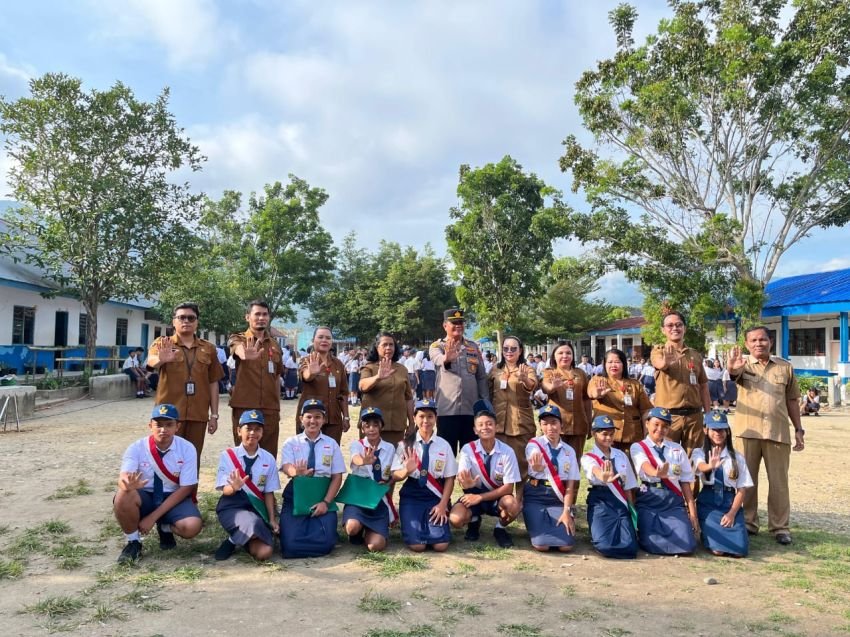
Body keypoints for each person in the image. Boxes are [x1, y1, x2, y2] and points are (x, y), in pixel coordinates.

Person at [727, 327, 804, 545]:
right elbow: (733, 374)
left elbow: (792, 400)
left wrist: (799, 429)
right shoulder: (742, 365)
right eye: (753, 340)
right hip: (747, 432)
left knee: (779, 483)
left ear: (771, 341)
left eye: (763, 339)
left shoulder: (784, 367)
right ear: (747, 344)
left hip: (777, 432)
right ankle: (749, 523)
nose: (758, 343)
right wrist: (732, 367)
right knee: (746, 481)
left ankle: (780, 527)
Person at [113, 404, 203, 563]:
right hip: (145, 495)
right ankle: (133, 542)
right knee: (122, 495)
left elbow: (186, 488)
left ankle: (164, 527)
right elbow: (123, 476)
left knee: (192, 527)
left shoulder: (187, 448)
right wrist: (126, 485)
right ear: (150, 426)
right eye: (158, 425)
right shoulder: (136, 448)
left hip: (173, 496)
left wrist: (153, 518)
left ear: (177, 426)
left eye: (169, 425)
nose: (163, 429)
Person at [146, 303, 223, 467]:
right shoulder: (163, 343)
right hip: (168, 416)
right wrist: (162, 359)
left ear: (197, 322)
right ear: (174, 321)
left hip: (198, 414)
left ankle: (190, 493)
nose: (186, 321)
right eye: (181, 317)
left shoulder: (208, 348)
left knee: (192, 459)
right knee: (166, 459)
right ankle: (165, 494)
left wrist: (214, 415)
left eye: (191, 318)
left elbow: (213, 382)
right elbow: (151, 362)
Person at [450, 400, 521, 548]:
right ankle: (474, 522)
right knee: (456, 520)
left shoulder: (507, 451)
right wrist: (467, 484)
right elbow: (463, 478)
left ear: (496, 427)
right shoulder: (467, 450)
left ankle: (500, 528)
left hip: (498, 497)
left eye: (489, 424)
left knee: (513, 505)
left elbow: (508, 488)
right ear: (475, 430)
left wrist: (480, 497)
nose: (485, 428)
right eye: (480, 425)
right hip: (473, 496)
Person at [279, 399, 345, 558]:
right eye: (308, 417)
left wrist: (326, 502)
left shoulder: (332, 444)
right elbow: (286, 466)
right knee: (290, 546)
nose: (313, 421)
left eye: (318, 417)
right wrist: (297, 472)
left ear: (323, 420)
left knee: (326, 544)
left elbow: (337, 477)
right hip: (297, 496)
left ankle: (328, 531)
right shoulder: (291, 442)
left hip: (322, 495)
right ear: (301, 419)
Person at [630, 407, 699, 555]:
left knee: (687, 545)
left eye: (665, 426)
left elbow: (685, 482)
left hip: (672, 501)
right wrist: (656, 473)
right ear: (647, 423)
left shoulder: (677, 448)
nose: (660, 429)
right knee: (650, 544)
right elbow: (644, 466)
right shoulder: (638, 447)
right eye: (656, 424)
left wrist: (692, 513)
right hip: (650, 499)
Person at [214, 410, 280, 561]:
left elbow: (269, 492)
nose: (252, 433)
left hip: (257, 508)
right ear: (239, 431)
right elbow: (225, 490)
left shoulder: (268, 458)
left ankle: (241, 539)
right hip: (232, 506)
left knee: (265, 552)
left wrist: (271, 518)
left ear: (262, 432)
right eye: (248, 428)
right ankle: (234, 540)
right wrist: (234, 487)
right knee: (253, 522)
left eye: (257, 429)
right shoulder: (228, 455)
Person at [391, 399, 457, 552]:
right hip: (412, 495)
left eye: (430, 416)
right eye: (421, 416)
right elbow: (395, 475)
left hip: (435, 496)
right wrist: (406, 470)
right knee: (417, 545)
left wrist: (442, 504)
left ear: (436, 419)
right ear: (414, 418)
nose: (425, 420)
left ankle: (434, 526)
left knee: (441, 545)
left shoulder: (444, 445)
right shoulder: (405, 444)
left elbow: (449, 478)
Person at [691, 411, 753, 557]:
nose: (718, 433)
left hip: (729, 502)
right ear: (705, 430)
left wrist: (732, 513)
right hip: (708, 502)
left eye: (722, 429)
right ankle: (707, 534)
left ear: (727, 431)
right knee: (717, 551)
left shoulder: (737, 457)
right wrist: (710, 466)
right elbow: (700, 467)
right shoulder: (699, 453)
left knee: (740, 550)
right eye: (714, 429)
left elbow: (741, 489)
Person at [649, 311, 711, 455]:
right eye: (669, 325)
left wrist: (708, 415)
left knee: (694, 462)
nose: (674, 328)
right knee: (669, 462)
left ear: (685, 328)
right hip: (668, 417)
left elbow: (703, 386)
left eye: (679, 325)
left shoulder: (695, 355)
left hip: (694, 417)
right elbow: (659, 364)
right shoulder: (658, 351)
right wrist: (666, 362)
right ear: (663, 330)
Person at [228, 300, 284, 458]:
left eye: (264, 314)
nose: (261, 318)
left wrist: (277, 406)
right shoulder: (238, 339)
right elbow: (237, 349)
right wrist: (244, 353)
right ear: (247, 317)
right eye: (257, 314)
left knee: (268, 455)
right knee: (244, 454)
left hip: (270, 408)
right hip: (244, 407)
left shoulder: (275, 345)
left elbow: (276, 377)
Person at [429, 308, 489, 453]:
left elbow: (481, 377)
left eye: (461, 322)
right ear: (445, 326)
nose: (458, 326)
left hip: (471, 409)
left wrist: (485, 404)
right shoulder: (437, 346)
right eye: (454, 323)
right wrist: (447, 358)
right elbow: (438, 360)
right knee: (444, 454)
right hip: (447, 410)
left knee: (472, 455)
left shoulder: (473, 347)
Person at [523, 405, 580, 552]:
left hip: (557, 498)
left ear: (561, 424)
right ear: (540, 426)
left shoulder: (569, 451)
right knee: (541, 545)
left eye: (554, 422)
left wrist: (567, 511)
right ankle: (536, 524)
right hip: (536, 495)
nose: (550, 427)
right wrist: (537, 468)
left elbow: (569, 486)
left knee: (566, 546)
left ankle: (557, 518)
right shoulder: (534, 444)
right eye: (545, 423)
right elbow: (533, 456)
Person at [580, 415, 639, 559]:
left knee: (631, 547)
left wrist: (631, 510)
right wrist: (603, 476)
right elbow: (594, 469)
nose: (608, 438)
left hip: (619, 501)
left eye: (611, 434)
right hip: (600, 500)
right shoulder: (588, 456)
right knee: (604, 545)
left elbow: (629, 485)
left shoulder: (621, 455)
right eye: (604, 434)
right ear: (594, 434)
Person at [342, 407, 398, 552]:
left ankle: (370, 531)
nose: (371, 429)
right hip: (359, 498)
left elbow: (393, 473)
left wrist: (388, 482)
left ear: (381, 426)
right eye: (367, 425)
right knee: (351, 527)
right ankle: (358, 528)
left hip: (378, 500)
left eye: (375, 424)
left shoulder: (390, 448)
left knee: (376, 546)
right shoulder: (357, 445)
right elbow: (356, 459)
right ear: (362, 427)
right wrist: (364, 461)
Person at [489, 335, 537, 496]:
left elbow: (532, 385)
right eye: (506, 348)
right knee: (501, 465)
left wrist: (524, 380)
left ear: (520, 350)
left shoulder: (527, 369)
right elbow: (488, 393)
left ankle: (520, 500)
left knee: (522, 464)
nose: (509, 352)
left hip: (520, 424)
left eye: (513, 348)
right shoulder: (495, 370)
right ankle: (503, 501)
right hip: (498, 423)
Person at [587, 348, 653, 456]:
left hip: (631, 434)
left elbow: (646, 409)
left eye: (617, 362)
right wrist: (598, 394)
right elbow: (592, 393)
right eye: (610, 362)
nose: (613, 365)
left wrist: (647, 432)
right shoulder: (598, 380)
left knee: (630, 469)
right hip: (607, 434)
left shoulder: (635, 384)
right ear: (604, 364)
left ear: (623, 364)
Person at [359, 333, 415, 446]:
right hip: (372, 425)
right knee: (371, 460)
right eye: (385, 345)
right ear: (377, 347)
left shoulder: (402, 369)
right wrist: (377, 378)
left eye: (391, 345)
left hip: (396, 425)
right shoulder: (369, 367)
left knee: (395, 461)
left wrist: (412, 422)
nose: (388, 348)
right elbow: (362, 386)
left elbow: (408, 398)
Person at [541, 340, 592, 464]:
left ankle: (573, 484)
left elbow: (586, 399)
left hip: (578, 425)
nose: (565, 356)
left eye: (568, 353)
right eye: (561, 353)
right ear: (554, 356)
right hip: (556, 426)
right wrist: (553, 386)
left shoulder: (580, 373)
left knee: (574, 462)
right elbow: (545, 387)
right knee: (555, 462)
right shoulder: (550, 373)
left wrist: (589, 422)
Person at [297, 327, 349, 444]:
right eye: (320, 337)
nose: (324, 340)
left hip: (333, 419)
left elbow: (343, 393)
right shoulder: (306, 360)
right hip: (311, 418)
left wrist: (346, 416)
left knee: (329, 456)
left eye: (328, 338)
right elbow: (306, 376)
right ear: (313, 340)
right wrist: (311, 372)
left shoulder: (338, 364)